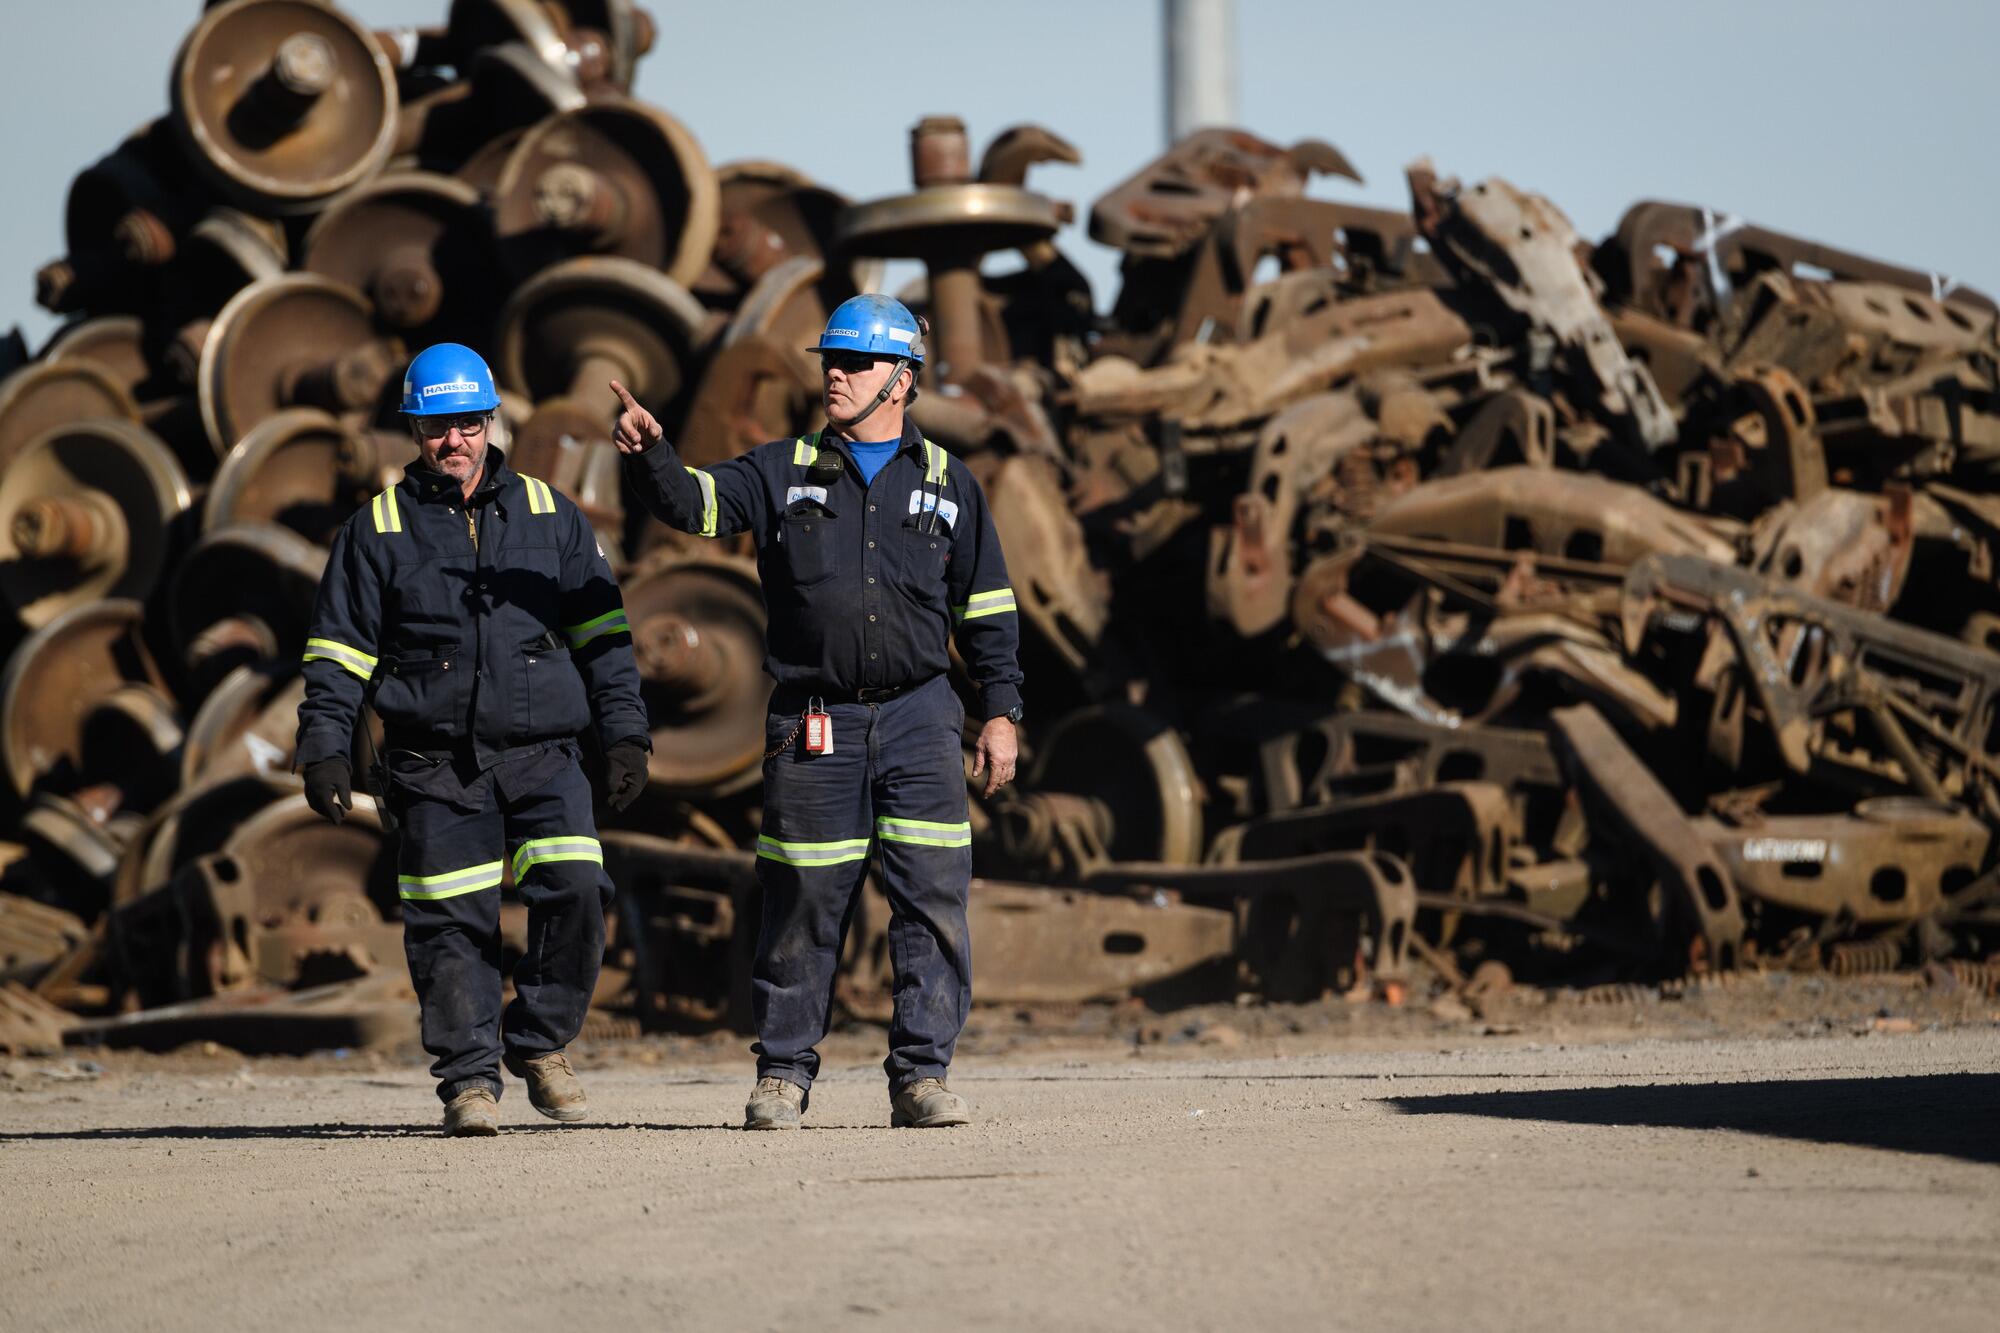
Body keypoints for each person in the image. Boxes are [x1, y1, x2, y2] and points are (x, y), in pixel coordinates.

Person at [611, 294, 1023, 1130]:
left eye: (854, 363)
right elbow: (696, 504)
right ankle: (783, 1075)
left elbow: (988, 609)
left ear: (901, 381)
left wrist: (1003, 712)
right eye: (827, 360)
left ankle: (921, 1076)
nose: (833, 374)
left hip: (920, 718)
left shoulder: (951, 484)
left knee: (932, 902)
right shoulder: (780, 469)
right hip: (813, 723)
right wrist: (654, 454)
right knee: (802, 895)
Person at [295, 343, 651, 1137]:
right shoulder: (374, 531)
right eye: (433, 427)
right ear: (412, 431)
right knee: (450, 926)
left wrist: (625, 734)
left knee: (579, 894)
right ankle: (468, 1082)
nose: (451, 441)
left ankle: (538, 1042)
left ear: (490, 422)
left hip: (544, 755)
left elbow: (605, 638)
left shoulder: (551, 515)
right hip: (433, 765)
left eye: (466, 424)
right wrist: (323, 744)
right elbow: (338, 653)